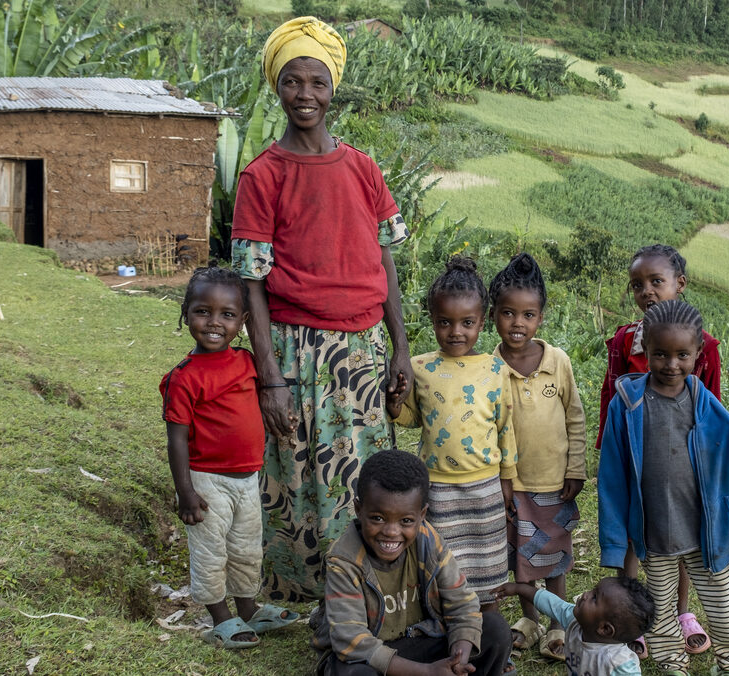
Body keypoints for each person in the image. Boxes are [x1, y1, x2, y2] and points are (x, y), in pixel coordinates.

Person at [230, 15, 413, 604]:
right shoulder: (262, 175)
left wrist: (401, 351)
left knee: (361, 479)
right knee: (296, 473)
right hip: (293, 348)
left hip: (361, 348)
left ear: (333, 87)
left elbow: (387, 268)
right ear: (276, 87)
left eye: (316, 82)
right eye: (291, 82)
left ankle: (361, 590)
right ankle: (301, 592)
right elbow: (252, 284)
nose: (304, 95)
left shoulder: (363, 168)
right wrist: (270, 378)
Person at [598, 300, 729, 676]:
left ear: (697, 354)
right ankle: (672, 664)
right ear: (645, 350)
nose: (671, 364)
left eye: (682, 355)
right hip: (653, 537)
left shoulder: (711, 411)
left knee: (724, 610)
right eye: (660, 354)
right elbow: (611, 479)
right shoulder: (628, 405)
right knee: (657, 611)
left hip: (708, 538)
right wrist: (613, 543)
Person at [160, 267, 301, 649]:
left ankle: (249, 609)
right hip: (206, 480)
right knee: (211, 552)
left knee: (245, 549)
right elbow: (175, 440)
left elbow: (255, 407)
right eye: (202, 311)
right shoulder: (184, 377)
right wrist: (185, 492)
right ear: (185, 312)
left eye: (227, 314)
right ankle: (221, 619)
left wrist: (282, 417)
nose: (214, 323)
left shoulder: (246, 361)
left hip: (247, 480)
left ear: (243, 320)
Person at [595, 244, 722, 656]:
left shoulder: (705, 345)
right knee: (633, 536)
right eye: (637, 285)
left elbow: (713, 408)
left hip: (683, 465)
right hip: (635, 462)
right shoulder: (624, 341)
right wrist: (606, 448)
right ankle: (631, 616)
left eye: (656, 281)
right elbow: (609, 394)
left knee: (682, 538)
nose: (646, 291)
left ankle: (680, 614)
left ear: (679, 285)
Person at [387, 257, 517, 608]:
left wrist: (507, 480)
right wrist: (396, 405)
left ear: (482, 322)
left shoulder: (495, 369)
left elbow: (505, 429)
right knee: (442, 561)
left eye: (467, 323)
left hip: (485, 485)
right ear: (432, 320)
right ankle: (444, 624)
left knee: (488, 563)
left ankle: (488, 622)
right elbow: (412, 418)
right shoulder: (420, 367)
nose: (455, 331)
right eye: (444, 322)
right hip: (438, 486)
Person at [312, 449, 512, 675]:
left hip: (420, 641)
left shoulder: (428, 541)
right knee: (352, 672)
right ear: (359, 509)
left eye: (406, 521)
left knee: (495, 629)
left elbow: (463, 606)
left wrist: (457, 660)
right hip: (375, 656)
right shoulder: (343, 560)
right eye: (377, 518)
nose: (391, 531)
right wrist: (427, 672)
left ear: (422, 514)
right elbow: (352, 641)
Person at [487, 253, 587, 662]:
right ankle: (528, 619)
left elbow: (575, 416)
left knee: (554, 556)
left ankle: (558, 623)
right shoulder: (489, 367)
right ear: (493, 314)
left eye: (528, 314)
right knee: (519, 555)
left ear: (541, 317)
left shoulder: (557, 362)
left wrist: (576, 467)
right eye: (508, 313)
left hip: (552, 483)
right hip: (509, 483)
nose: (517, 323)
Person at [492, 577, 654, 676]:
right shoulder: (576, 622)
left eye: (594, 598)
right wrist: (520, 588)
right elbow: (552, 603)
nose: (585, 595)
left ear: (604, 629)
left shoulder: (618, 663)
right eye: (593, 591)